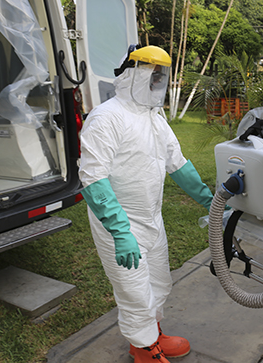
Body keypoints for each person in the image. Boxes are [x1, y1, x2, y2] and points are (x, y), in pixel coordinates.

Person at [78, 45, 214, 363]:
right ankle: (142, 349)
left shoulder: (154, 117)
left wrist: (211, 202)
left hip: (152, 219)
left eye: (162, 77)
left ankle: (153, 335)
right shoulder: (106, 118)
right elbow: (92, 178)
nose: (158, 83)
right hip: (120, 224)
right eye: (153, 75)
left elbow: (177, 163)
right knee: (134, 292)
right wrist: (120, 231)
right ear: (134, 74)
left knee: (158, 282)